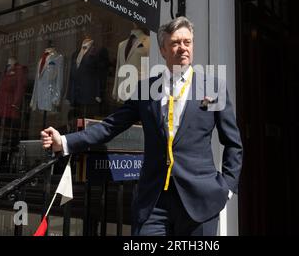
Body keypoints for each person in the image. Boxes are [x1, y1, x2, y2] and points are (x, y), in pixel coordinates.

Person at [41, 17, 243, 236]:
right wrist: (65, 141)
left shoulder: (213, 86)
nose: (182, 48)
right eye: (175, 43)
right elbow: (111, 126)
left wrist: (227, 187)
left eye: (187, 42)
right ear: (163, 50)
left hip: (200, 201)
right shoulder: (145, 89)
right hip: (154, 202)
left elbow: (233, 143)